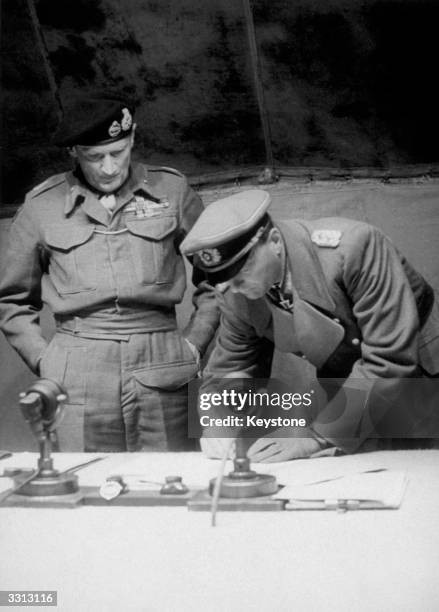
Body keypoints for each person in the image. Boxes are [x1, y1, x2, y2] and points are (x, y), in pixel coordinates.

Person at [0, 94, 219, 452]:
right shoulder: (41, 207)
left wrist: (195, 343)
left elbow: (218, 278)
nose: (108, 168)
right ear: (73, 151)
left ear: (133, 139)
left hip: (163, 362)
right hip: (77, 370)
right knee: (84, 483)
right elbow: (12, 302)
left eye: (118, 152)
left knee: (173, 485)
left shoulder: (173, 192)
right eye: (94, 157)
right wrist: (46, 359)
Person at [180, 189, 439, 461]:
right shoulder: (235, 292)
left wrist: (316, 436)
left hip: (420, 377)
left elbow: (390, 359)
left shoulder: (354, 248)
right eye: (225, 282)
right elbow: (233, 367)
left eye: (242, 274)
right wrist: (220, 421)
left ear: (275, 241)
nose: (236, 289)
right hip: (353, 388)